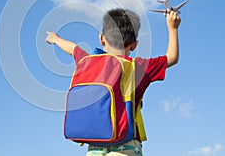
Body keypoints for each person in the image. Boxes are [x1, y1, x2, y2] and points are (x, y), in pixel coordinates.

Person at [46, 8, 181, 156]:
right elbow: (172, 57)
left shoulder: (87, 62)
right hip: (127, 145)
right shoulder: (138, 66)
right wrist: (172, 27)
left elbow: (73, 49)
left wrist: (55, 38)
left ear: (102, 38)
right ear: (134, 45)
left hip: (94, 147)